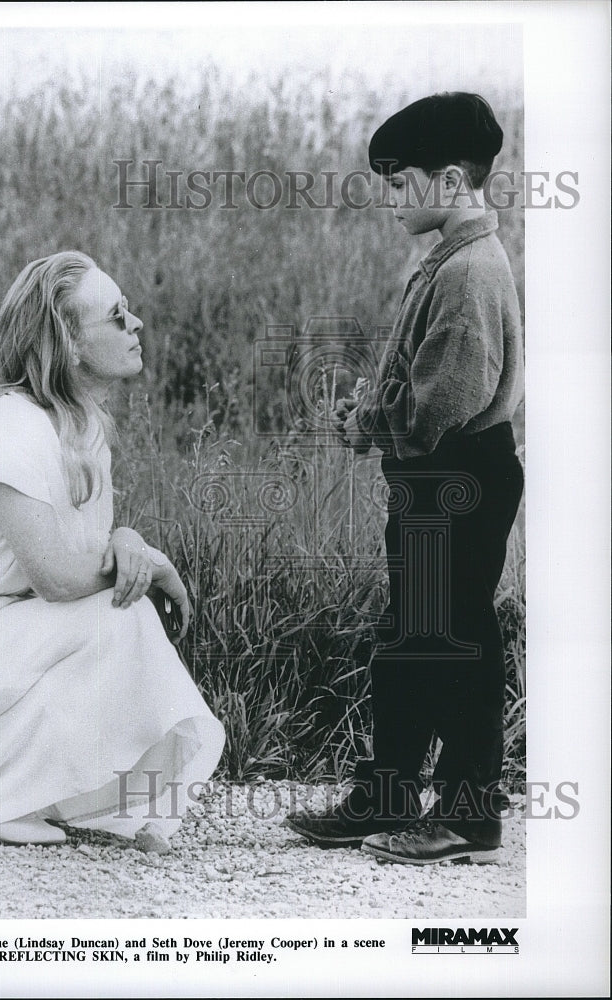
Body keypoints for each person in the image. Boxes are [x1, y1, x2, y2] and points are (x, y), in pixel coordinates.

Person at [287, 93, 524, 864]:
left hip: (457, 476)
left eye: (398, 183)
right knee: (412, 640)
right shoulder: (449, 258)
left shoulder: (469, 274)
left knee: (453, 641)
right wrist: (374, 409)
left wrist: (363, 421)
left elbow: (436, 410)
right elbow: (414, 380)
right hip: (436, 478)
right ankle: (385, 795)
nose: (388, 200)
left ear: (450, 180)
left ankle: (469, 817)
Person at [0, 251, 225, 847]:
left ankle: (22, 788)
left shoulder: (78, 428)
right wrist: (151, 562)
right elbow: (59, 579)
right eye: (116, 316)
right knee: (123, 612)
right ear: (68, 345)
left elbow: (78, 552)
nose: (135, 325)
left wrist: (128, 540)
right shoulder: (7, 428)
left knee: (120, 611)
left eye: (129, 311)